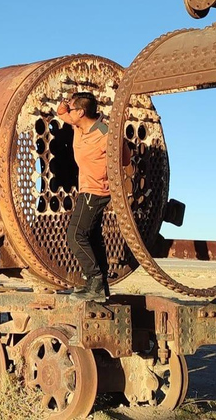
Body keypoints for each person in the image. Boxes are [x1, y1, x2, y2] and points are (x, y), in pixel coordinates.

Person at [55, 92, 130, 301]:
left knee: (75, 234)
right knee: (92, 237)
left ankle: (95, 280)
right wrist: (65, 103)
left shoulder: (105, 134)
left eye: (72, 108)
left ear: (81, 112)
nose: (69, 111)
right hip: (87, 189)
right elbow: (61, 113)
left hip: (97, 191)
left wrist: (119, 140)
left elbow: (124, 160)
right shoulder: (78, 125)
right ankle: (100, 286)